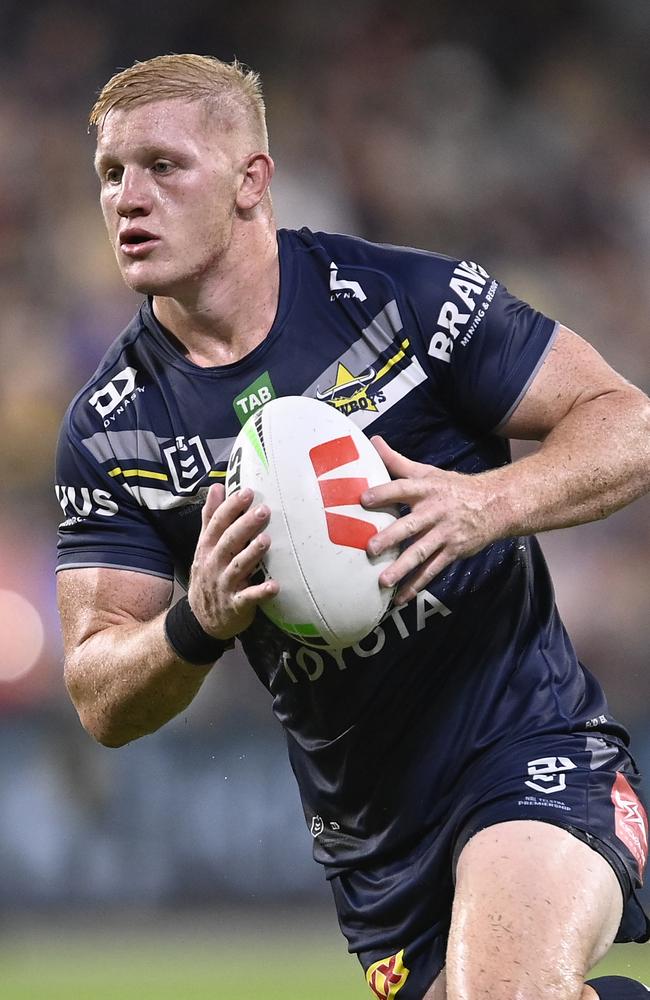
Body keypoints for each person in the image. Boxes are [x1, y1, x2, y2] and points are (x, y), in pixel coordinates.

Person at [55, 54, 650, 1000]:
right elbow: (96, 689)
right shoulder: (110, 426)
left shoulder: (397, 301)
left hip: (532, 749)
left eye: (164, 166)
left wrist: (481, 505)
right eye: (111, 174)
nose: (129, 197)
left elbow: (626, 421)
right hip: (376, 850)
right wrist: (194, 624)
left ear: (253, 180)